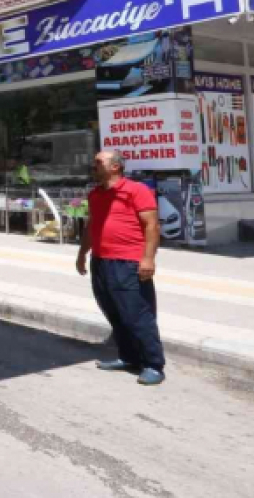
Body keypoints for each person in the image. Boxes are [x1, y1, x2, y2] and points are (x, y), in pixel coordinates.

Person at [77, 150, 166, 386]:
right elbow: (92, 226)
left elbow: (152, 226)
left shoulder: (137, 190)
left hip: (128, 262)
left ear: (115, 167)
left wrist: (148, 259)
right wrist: (81, 254)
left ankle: (153, 364)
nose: (93, 165)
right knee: (114, 312)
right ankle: (129, 357)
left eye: (98, 162)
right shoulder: (95, 194)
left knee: (137, 314)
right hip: (101, 261)